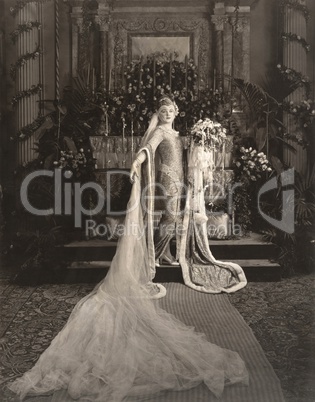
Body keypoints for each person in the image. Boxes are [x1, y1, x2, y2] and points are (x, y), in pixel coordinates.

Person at [8, 95, 249, 402]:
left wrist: (203, 141)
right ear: (158, 114)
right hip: (167, 178)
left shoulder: (176, 133)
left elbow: (184, 151)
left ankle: (162, 252)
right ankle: (160, 253)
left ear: (176, 113)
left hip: (176, 178)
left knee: (172, 218)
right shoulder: (162, 132)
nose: (165, 115)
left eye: (170, 111)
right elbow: (146, 149)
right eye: (161, 111)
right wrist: (135, 164)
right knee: (172, 217)